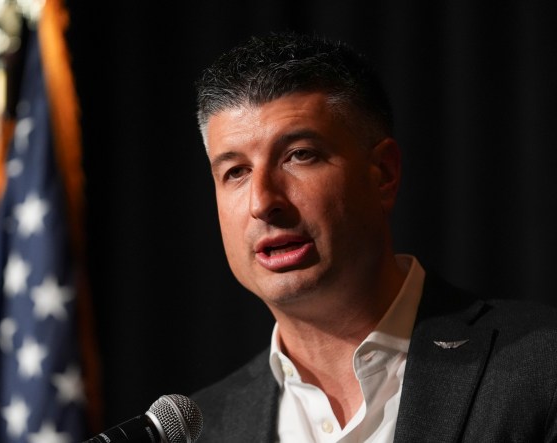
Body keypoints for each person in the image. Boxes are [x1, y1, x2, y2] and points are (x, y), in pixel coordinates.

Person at [189, 31, 557, 442]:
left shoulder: (541, 364)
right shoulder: (206, 428)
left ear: (383, 173)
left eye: (299, 155)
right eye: (235, 172)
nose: (263, 202)